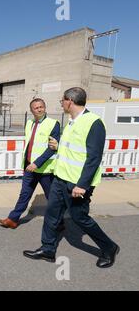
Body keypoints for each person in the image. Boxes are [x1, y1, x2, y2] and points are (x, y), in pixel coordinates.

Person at [23, 87, 120, 268]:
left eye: (62, 100)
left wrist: (82, 185)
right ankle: (48, 249)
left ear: (70, 101)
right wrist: (58, 146)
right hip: (60, 179)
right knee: (51, 215)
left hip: (77, 183)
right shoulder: (71, 122)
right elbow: (74, 150)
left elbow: (94, 158)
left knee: (80, 218)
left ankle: (109, 247)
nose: (61, 103)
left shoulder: (94, 122)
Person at [0, 98, 61, 229]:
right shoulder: (29, 123)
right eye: (36, 108)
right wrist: (28, 163)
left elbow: (52, 148)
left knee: (52, 198)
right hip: (29, 167)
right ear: (31, 110)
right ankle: (13, 219)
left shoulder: (53, 123)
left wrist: (36, 163)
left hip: (45, 169)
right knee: (24, 194)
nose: (39, 109)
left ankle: (59, 223)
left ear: (45, 107)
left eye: (41, 107)